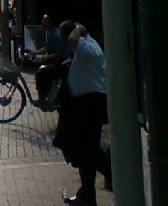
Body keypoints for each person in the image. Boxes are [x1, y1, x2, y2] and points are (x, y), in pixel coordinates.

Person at [54, 21, 113, 206]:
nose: (63, 41)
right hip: (86, 103)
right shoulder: (87, 47)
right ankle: (87, 195)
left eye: (62, 37)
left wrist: (78, 28)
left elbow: (72, 40)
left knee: (88, 150)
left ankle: (114, 172)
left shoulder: (83, 44)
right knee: (86, 151)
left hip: (88, 104)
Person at [35, 13, 71, 104]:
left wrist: (44, 58)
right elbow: (47, 48)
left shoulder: (56, 35)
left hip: (63, 63)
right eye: (42, 20)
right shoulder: (48, 32)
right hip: (57, 61)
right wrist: (34, 53)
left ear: (51, 23)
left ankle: (43, 99)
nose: (42, 22)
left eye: (45, 20)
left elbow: (58, 54)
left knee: (41, 73)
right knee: (42, 71)